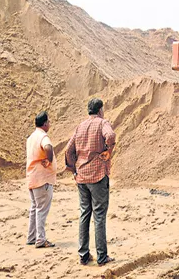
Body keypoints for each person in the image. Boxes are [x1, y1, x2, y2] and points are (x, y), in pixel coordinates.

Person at [65, 98, 116, 266]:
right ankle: (102, 257)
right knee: (99, 216)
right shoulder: (102, 123)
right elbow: (111, 136)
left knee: (84, 214)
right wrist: (108, 151)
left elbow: (68, 150)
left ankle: (84, 254)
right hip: (97, 175)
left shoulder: (80, 126)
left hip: (81, 176)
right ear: (100, 110)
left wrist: (73, 168)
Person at [26, 111, 56, 248]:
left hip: (32, 178)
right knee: (41, 210)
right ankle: (40, 239)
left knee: (34, 208)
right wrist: (48, 161)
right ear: (45, 124)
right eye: (48, 122)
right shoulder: (43, 136)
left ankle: (31, 237)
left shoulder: (31, 137)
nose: (49, 124)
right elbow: (48, 147)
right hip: (42, 179)